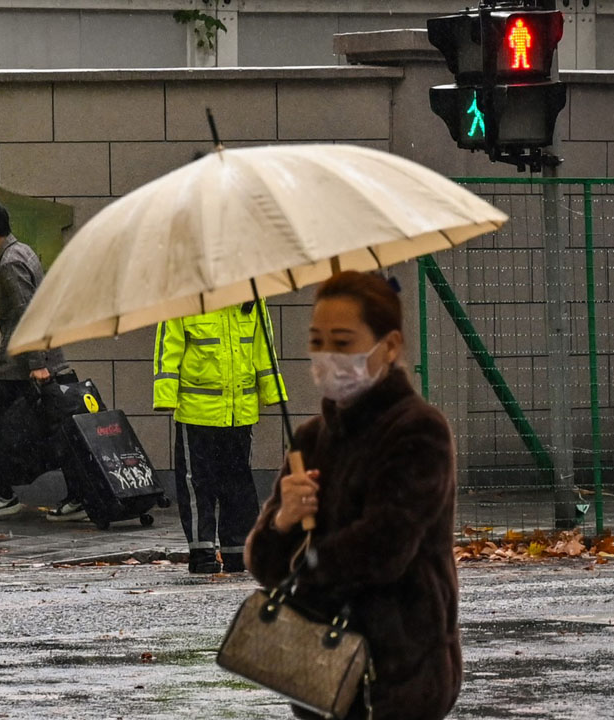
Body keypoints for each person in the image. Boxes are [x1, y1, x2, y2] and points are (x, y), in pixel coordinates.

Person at [245, 271, 461, 720]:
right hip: (321, 674)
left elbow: (385, 547)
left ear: (390, 346)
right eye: (318, 341)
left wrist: (304, 573)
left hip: (401, 674)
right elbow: (265, 566)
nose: (327, 357)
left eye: (343, 342)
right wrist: (283, 521)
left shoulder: (418, 429)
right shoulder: (309, 438)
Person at [0, 203, 84, 522]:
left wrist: (35, 362)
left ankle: (4, 493)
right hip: (37, 358)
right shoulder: (24, 252)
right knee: (56, 427)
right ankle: (78, 494)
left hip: (21, 363)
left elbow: (25, 313)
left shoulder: (10, 263)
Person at [153, 301, 285, 574]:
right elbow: (169, 348)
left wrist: (274, 392)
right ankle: (202, 552)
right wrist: (165, 396)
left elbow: (263, 348)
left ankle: (238, 552)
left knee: (238, 485)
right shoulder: (184, 299)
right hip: (196, 413)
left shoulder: (251, 299)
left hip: (239, 412)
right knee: (198, 485)